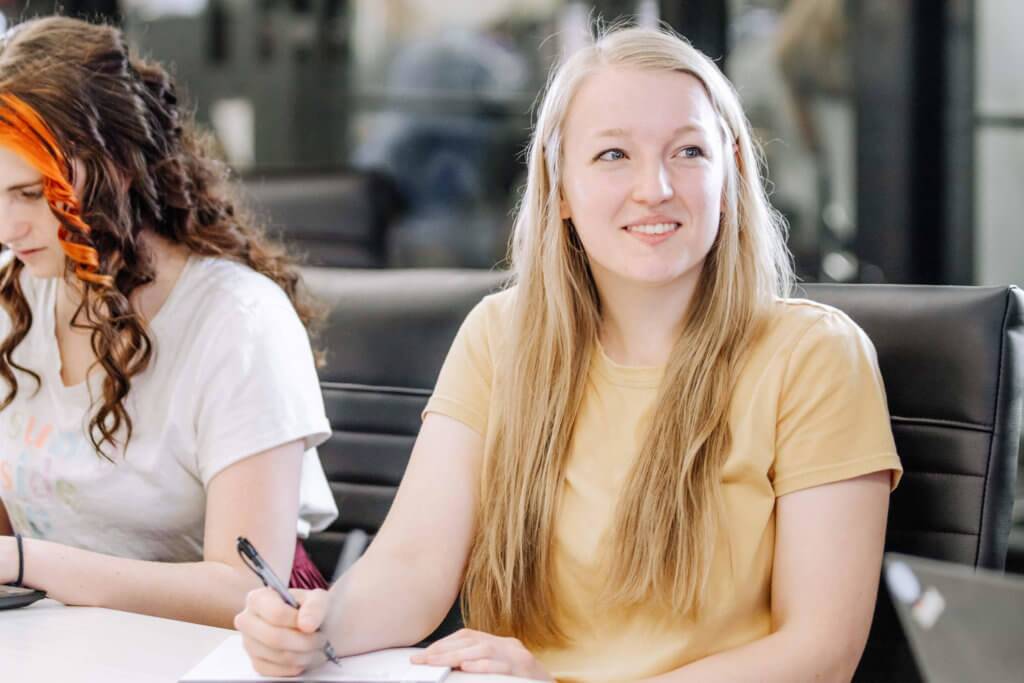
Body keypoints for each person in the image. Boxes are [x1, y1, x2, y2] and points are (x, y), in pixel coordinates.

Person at [236, 25, 902, 681]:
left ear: (728, 175)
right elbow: (411, 564)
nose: (656, 188)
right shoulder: (501, 334)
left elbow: (820, 651)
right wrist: (315, 627)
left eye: (689, 152)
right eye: (614, 155)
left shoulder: (815, 358)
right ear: (559, 190)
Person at [0, 16, 337, 628]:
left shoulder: (238, 321)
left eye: (30, 194)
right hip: (63, 641)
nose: (7, 228)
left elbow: (244, 590)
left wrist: (28, 561)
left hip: (230, 649)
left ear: (118, 166)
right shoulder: (12, 296)